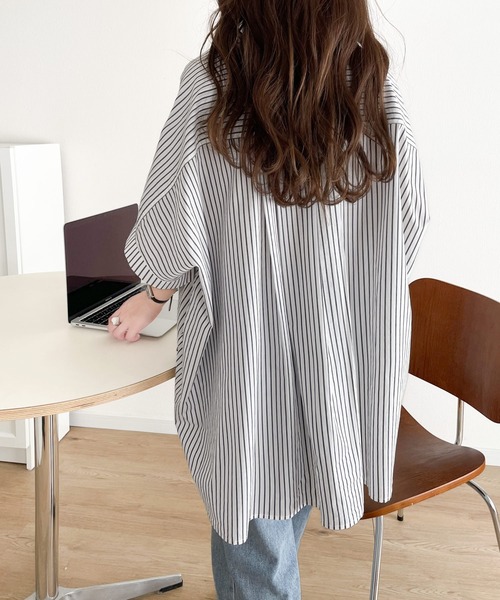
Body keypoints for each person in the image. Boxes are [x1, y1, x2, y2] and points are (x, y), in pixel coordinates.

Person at [108, 1, 429, 598]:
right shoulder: (373, 91)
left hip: (249, 364)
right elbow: (408, 227)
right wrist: (342, 287)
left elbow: (173, 221)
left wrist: (154, 294)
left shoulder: (214, 87)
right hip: (339, 366)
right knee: (285, 505)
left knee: (255, 522)